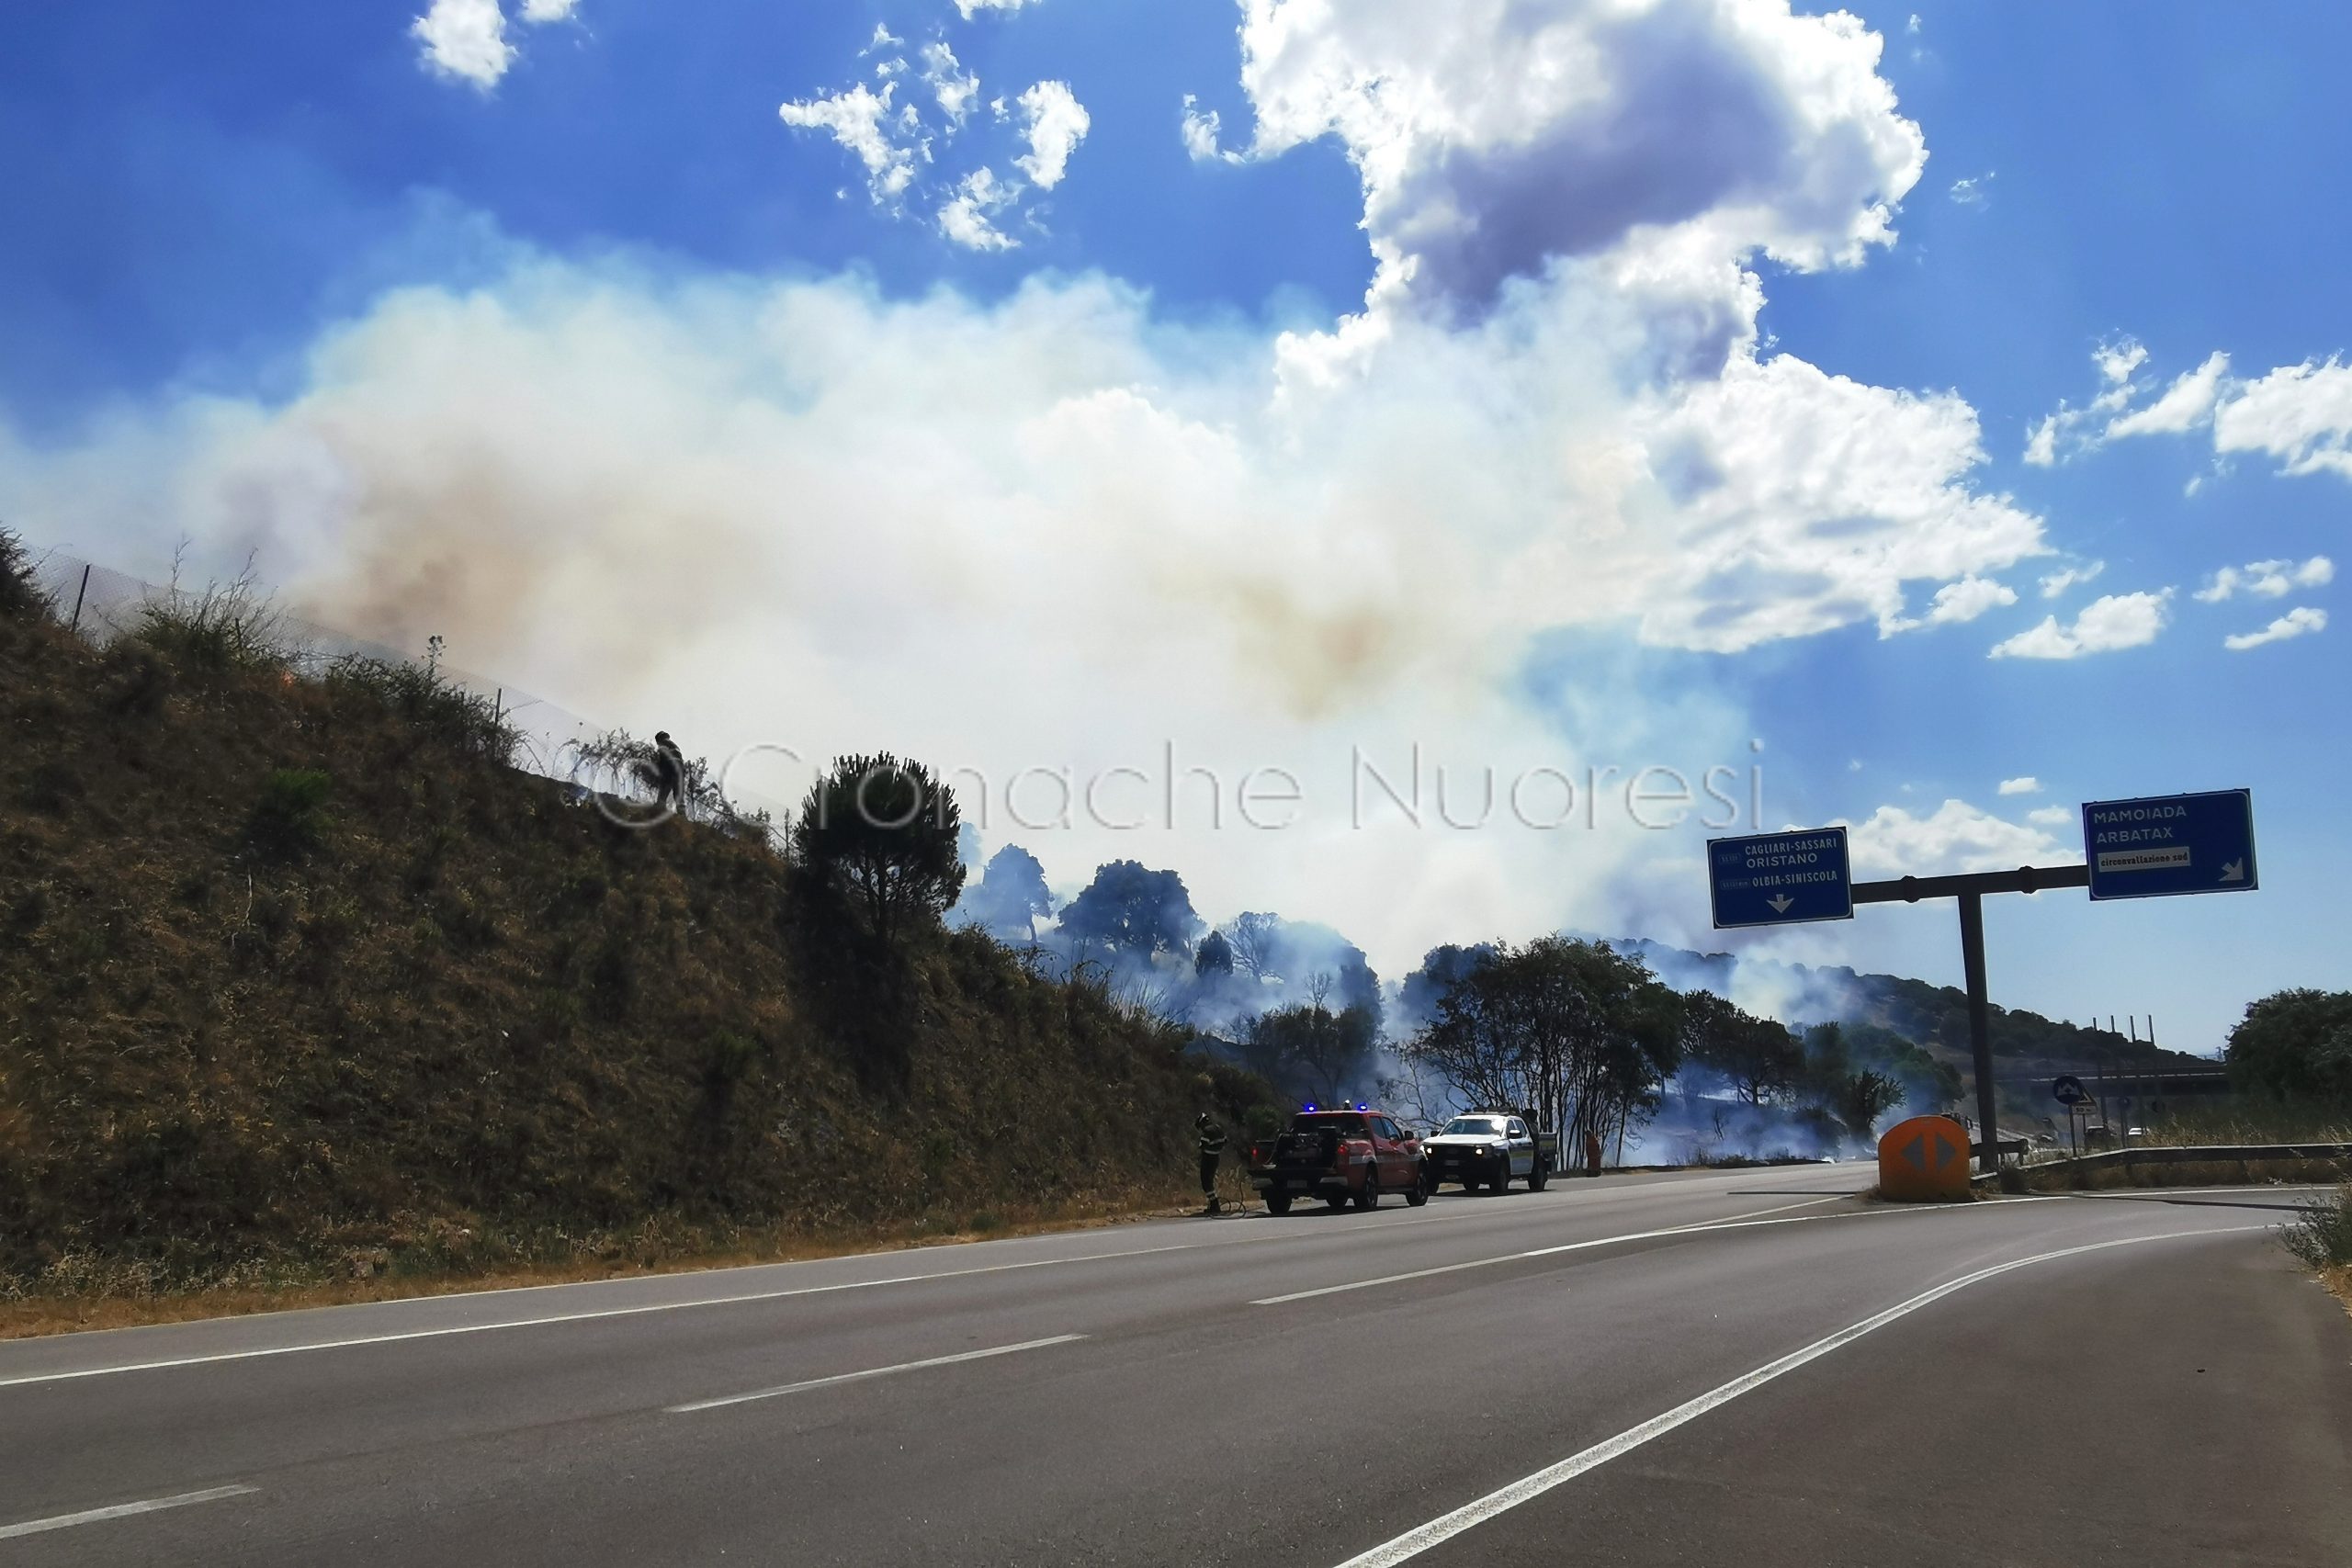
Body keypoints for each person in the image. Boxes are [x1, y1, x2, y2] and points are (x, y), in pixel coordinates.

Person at [1194, 1112, 1228, 1213]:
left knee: (1206, 1183)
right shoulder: (1218, 1128)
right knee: (1210, 1181)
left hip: (1208, 1159)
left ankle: (1215, 1205)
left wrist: (1198, 1156)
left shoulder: (1207, 1131)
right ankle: (1214, 1205)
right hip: (1216, 1158)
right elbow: (1225, 1141)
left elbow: (1203, 1145)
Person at [650, 730, 686, 815]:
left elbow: (663, 760)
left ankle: (659, 808)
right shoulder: (675, 746)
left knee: (664, 788)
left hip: (670, 769)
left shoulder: (663, 744)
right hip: (680, 772)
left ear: (659, 739)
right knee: (678, 794)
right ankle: (682, 815)